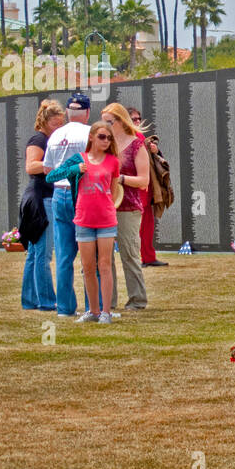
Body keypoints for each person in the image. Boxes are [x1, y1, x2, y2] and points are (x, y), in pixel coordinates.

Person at [43, 93, 92, 315]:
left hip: (59, 194)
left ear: (67, 114)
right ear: (88, 113)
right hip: (83, 193)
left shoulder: (55, 135)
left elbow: (48, 169)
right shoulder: (91, 133)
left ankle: (64, 307)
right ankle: (94, 307)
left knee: (63, 255)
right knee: (90, 252)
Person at [70, 121, 122, 323]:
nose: (106, 141)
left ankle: (106, 312)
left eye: (109, 138)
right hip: (83, 218)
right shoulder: (79, 160)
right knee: (88, 266)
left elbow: (114, 190)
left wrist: (108, 207)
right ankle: (92, 310)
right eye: (102, 136)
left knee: (105, 265)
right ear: (91, 137)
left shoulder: (113, 162)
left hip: (106, 219)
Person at [103, 103, 150, 311]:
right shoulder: (105, 144)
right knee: (104, 257)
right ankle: (108, 300)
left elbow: (143, 180)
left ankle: (137, 299)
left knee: (129, 253)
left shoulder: (136, 145)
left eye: (108, 122)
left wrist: (120, 178)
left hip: (128, 207)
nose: (104, 126)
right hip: (105, 206)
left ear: (121, 122)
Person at [22, 100, 66, 310]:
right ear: (45, 122)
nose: (59, 128)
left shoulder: (49, 138)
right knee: (43, 253)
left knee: (34, 254)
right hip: (41, 198)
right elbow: (31, 166)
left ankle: (30, 300)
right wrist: (57, 164)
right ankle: (48, 301)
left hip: (40, 196)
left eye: (61, 124)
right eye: (55, 125)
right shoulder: (39, 138)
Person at [131, 107, 168, 267]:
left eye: (139, 118)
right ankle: (138, 258)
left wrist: (155, 150)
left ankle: (148, 257)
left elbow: (155, 159)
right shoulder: (123, 138)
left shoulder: (140, 136)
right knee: (134, 226)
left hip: (145, 187)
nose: (138, 121)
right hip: (133, 189)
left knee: (147, 224)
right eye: (134, 119)